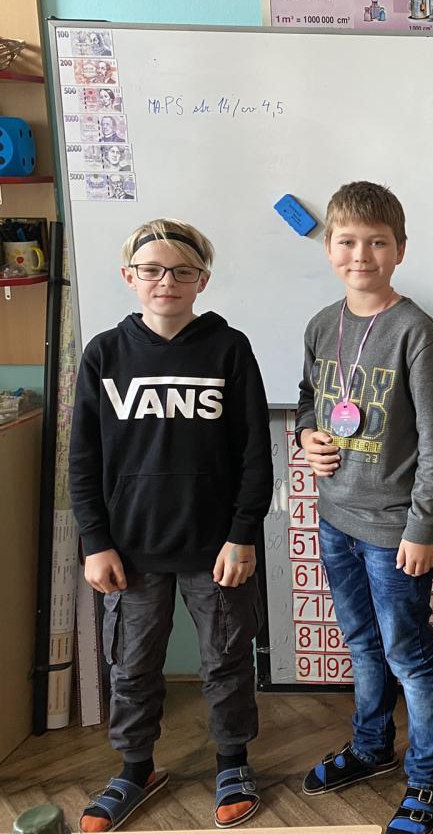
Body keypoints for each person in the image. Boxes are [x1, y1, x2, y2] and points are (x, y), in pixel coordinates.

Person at [70, 219, 271, 831]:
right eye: (152, 270)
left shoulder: (228, 348)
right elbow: (83, 460)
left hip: (217, 547)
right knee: (131, 665)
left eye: (183, 271)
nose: (167, 281)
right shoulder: (104, 354)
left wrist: (242, 533)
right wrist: (95, 541)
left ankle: (233, 762)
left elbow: (254, 454)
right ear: (128, 276)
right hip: (129, 549)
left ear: (202, 280)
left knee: (227, 661)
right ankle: (136, 768)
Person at [296, 181, 433, 834]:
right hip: (334, 519)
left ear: (400, 250)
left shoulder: (417, 332)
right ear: (329, 248)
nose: (360, 255)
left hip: (395, 530)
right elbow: (307, 398)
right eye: (347, 241)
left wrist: (423, 527)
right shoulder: (320, 325)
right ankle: (371, 748)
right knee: (362, 644)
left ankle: (428, 777)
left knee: (407, 654)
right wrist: (307, 433)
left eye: (377, 242)